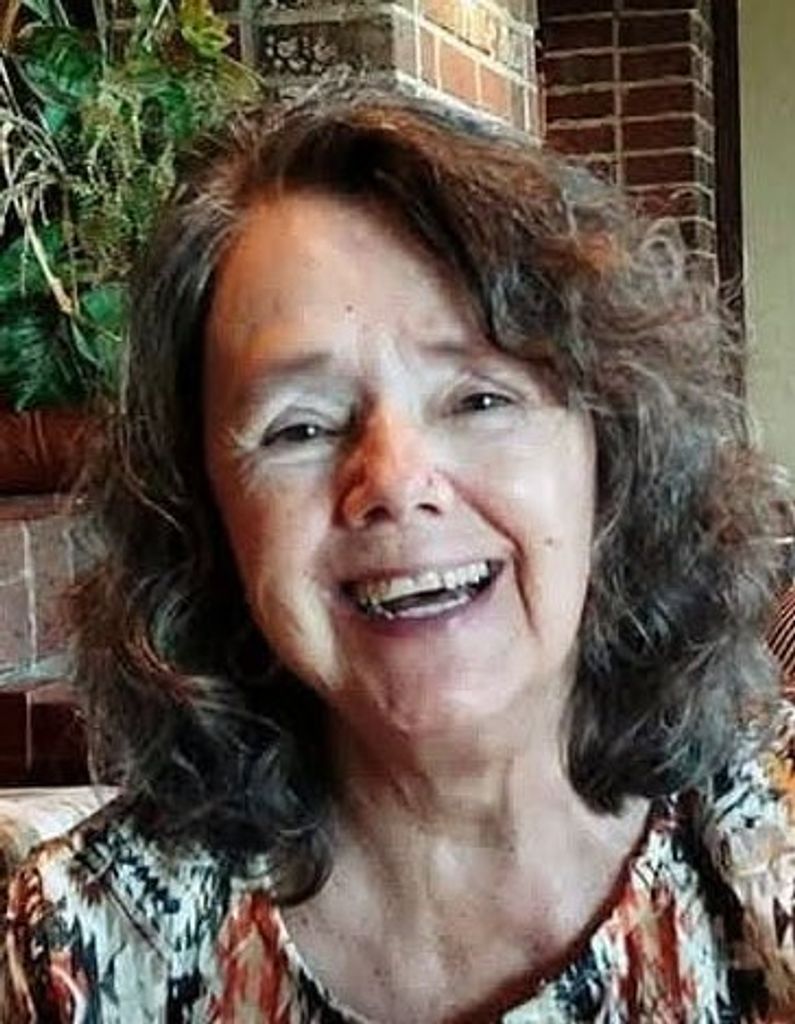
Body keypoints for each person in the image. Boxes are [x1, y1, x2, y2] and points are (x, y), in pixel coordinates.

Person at [2, 85, 794, 1023]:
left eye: (480, 399)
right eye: (299, 427)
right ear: (202, 513)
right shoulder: (80, 951)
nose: (394, 480)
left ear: (611, 456)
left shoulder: (768, 847)